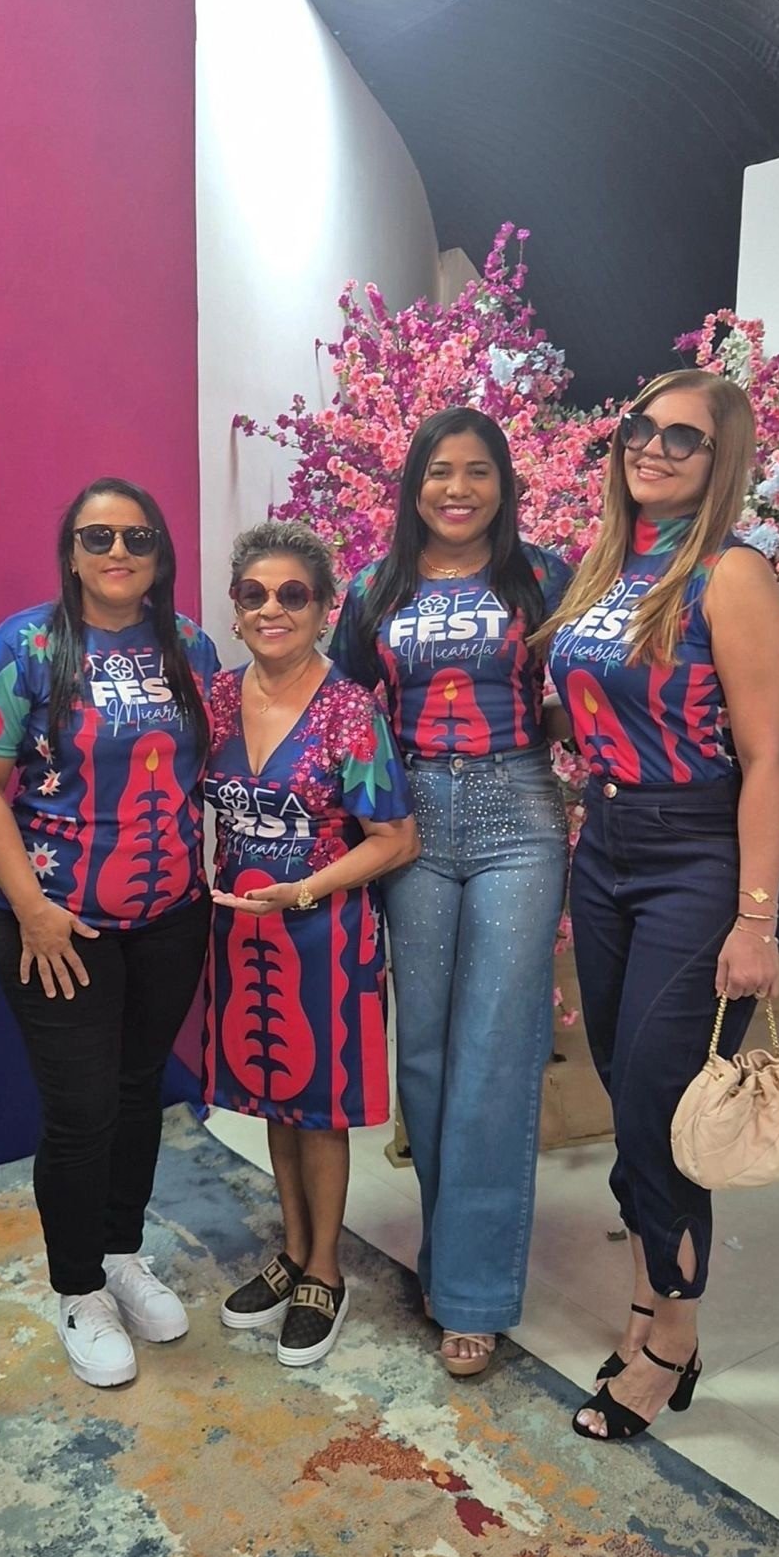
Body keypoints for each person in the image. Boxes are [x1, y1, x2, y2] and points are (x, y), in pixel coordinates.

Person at [541, 369, 779, 1440]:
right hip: (607, 844)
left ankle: (674, 1342)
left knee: (657, 1100)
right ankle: (650, 1301)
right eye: (639, 428)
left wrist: (753, 919)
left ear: (720, 456)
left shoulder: (731, 573)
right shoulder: (610, 564)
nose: (650, 447)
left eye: (680, 437)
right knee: (627, 1087)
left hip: (702, 857)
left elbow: (766, 758)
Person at [0, 478, 218, 1387]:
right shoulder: (23, 645)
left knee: (140, 1092)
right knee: (80, 1114)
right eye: (97, 536)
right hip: (58, 927)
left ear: (159, 553)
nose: (118, 553)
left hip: (171, 918)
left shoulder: (189, 646)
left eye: (137, 537)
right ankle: (77, 1288)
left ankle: (120, 1254)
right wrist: (31, 906)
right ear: (71, 551)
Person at [330, 406, 572, 1375]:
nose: (458, 488)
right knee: (426, 1055)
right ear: (415, 485)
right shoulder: (373, 587)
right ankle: (450, 1251)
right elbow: (344, 706)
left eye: (478, 470)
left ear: (504, 484)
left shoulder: (543, 577)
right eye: (440, 470)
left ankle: (472, 1292)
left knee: (496, 1052)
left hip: (519, 813)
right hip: (415, 815)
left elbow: (586, 684)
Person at [205, 521, 418, 1367]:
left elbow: (395, 838)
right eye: (253, 594)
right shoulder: (218, 699)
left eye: (293, 594)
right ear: (234, 607)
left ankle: (325, 1269)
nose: (272, 609)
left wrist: (305, 890)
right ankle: (291, 1251)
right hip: (241, 930)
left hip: (325, 932)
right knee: (271, 1091)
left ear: (325, 607)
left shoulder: (347, 709)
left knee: (319, 1109)